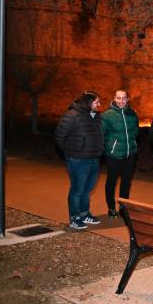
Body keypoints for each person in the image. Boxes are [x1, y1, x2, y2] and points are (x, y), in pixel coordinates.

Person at [54, 91, 103, 229]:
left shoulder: (95, 117)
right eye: (96, 102)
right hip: (78, 160)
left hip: (93, 159)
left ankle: (84, 213)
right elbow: (59, 136)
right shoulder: (72, 115)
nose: (99, 105)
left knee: (87, 189)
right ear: (88, 102)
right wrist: (70, 153)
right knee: (77, 189)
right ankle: (74, 218)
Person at [100, 90, 139, 218]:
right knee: (111, 181)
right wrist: (109, 147)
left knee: (126, 182)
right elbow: (101, 134)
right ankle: (111, 208)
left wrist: (132, 142)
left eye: (124, 98)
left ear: (127, 99)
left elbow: (136, 131)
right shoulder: (107, 115)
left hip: (130, 153)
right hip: (113, 154)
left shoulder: (132, 113)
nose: (121, 101)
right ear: (114, 99)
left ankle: (123, 208)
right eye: (118, 98)